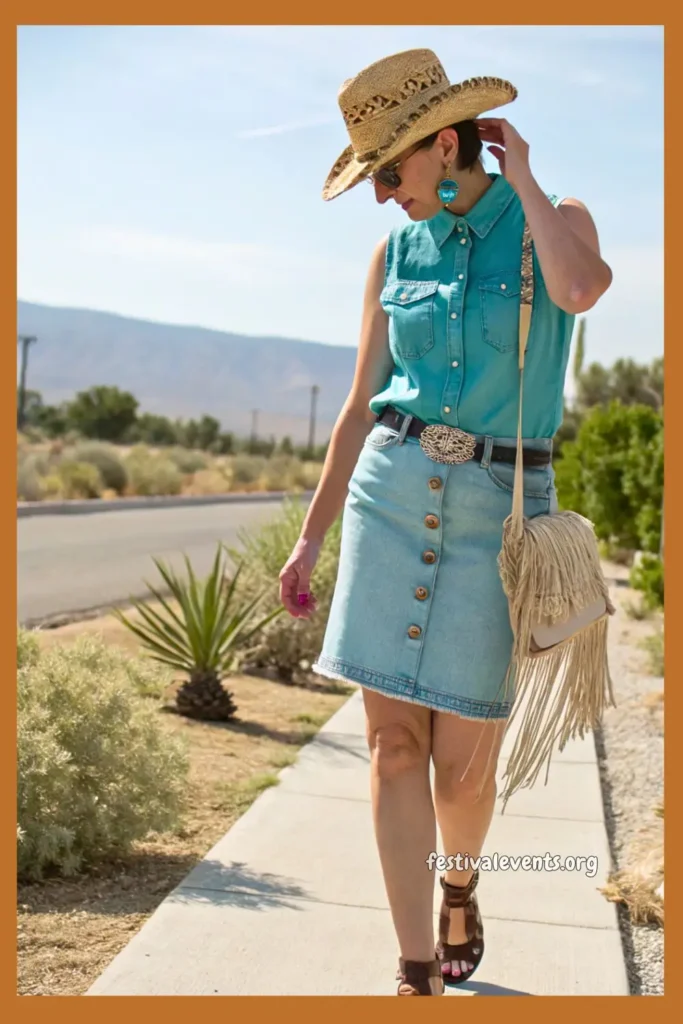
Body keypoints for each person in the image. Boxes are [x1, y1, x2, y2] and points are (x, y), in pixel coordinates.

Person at [278, 48, 612, 996]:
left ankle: (456, 886)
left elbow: (581, 293)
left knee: (464, 769)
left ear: (445, 142)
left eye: (390, 171)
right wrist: (311, 535)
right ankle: (413, 967)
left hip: (498, 516)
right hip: (389, 496)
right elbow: (358, 406)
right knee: (391, 746)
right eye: (372, 178)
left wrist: (530, 179)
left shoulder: (553, 222)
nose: (384, 196)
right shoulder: (393, 253)